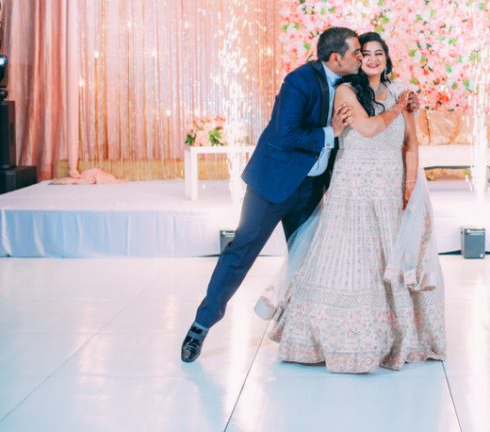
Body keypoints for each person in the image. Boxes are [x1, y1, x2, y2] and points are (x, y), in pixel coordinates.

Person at [256, 32, 446, 373]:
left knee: (388, 256)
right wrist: (399, 107)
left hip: (389, 185)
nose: (371, 59)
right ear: (357, 59)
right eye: (365, 53)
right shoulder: (346, 90)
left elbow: (411, 142)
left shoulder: (401, 90)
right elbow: (369, 129)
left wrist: (410, 183)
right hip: (353, 186)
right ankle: (335, 339)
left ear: (387, 58)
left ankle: (399, 337)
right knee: (349, 258)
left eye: (378, 53)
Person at [180, 27, 361, 363]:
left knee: (307, 261)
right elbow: (286, 132)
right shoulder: (299, 81)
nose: (361, 58)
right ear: (335, 58)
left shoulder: (354, 83)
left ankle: (304, 336)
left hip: (312, 187)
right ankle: (201, 325)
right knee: (241, 253)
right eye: (356, 53)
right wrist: (329, 132)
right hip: (273, 184)